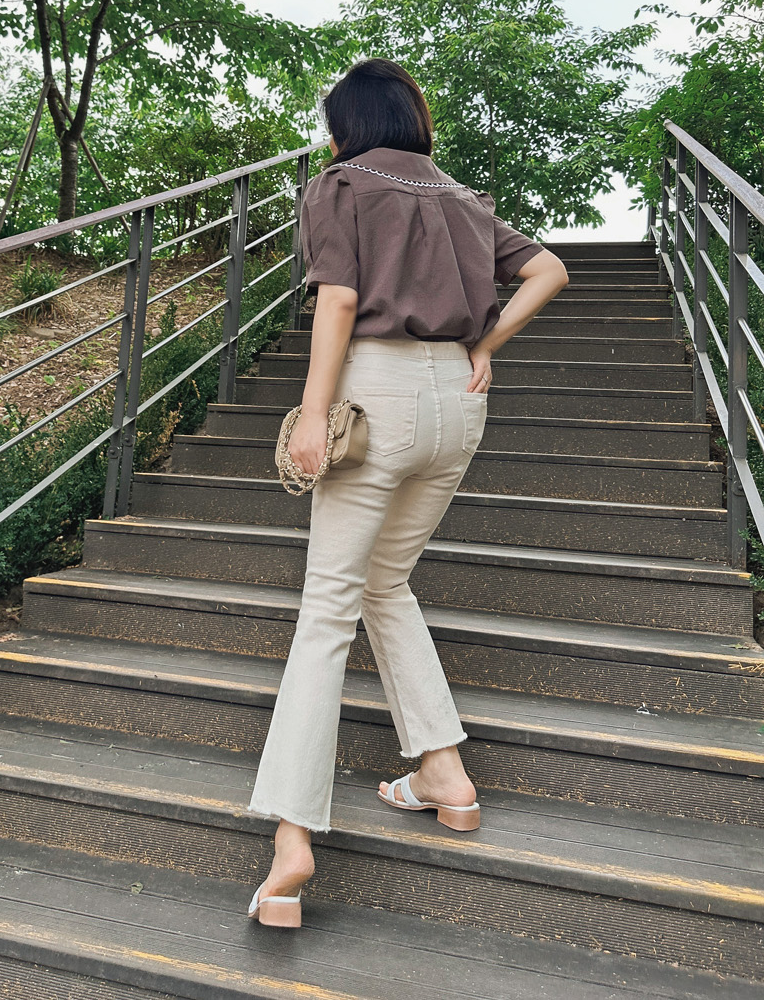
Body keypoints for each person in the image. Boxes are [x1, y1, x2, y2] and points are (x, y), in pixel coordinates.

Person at [246, 58, 570, 929]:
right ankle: (443, 771)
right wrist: (486, 343)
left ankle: (291, 840)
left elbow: (338, 301)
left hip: (376, 394)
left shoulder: (341, 185)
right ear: (412, 119)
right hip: (458, 402)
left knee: (327, 610)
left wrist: (313, 414)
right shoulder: (462, 197)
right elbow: (550, 270)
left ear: (347, 126)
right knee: (384, 583)